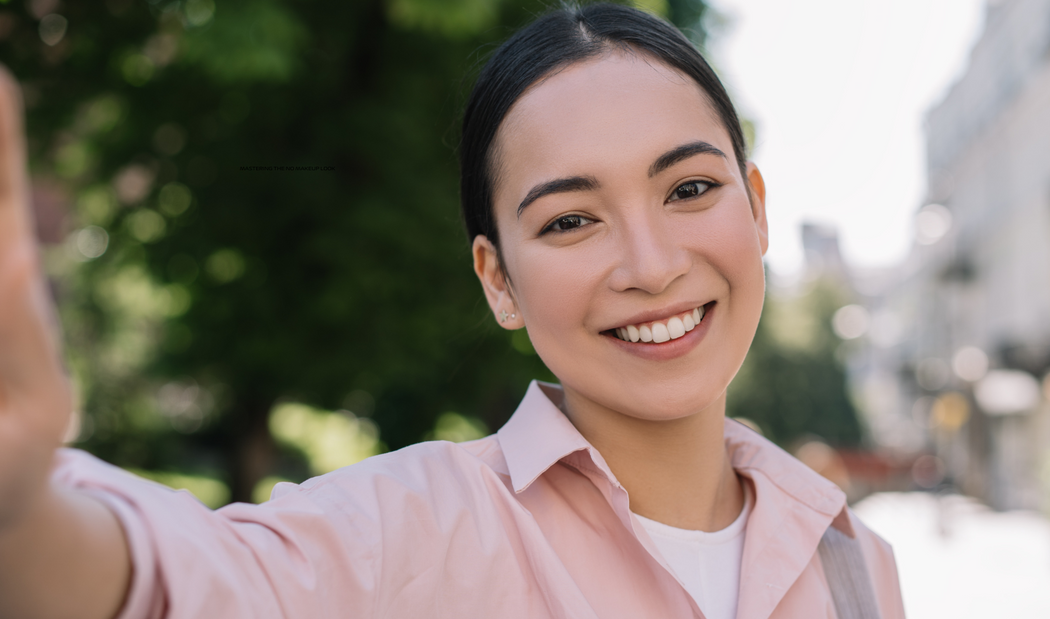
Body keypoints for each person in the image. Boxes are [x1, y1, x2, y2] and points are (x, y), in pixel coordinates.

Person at [0, 4, 904, 618]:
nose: (652, 263)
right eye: (571, 219)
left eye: (691, 188)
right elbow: (201, 584)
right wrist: (21, 509)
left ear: (756, 206)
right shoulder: (410, 532)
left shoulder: (854, 562)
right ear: (497, 279)